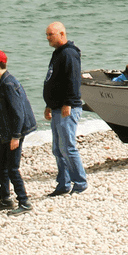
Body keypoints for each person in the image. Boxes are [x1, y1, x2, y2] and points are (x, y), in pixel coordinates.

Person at [0, 50, 36, 212]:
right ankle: (6, 199)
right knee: (1, 165)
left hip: (14, 133)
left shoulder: (7, 84)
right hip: (8, 133)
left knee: (12, 167)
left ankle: (24, 202)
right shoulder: (6, 81)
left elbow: (18, 113)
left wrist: (16, 136)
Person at [41, 21, 88, 196]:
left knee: (68, 147)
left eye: (50, 35)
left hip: (67, 108)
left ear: (62, 34)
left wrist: (68, 102)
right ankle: (63, 183)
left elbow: (73, 80)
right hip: (56, 108)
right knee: (58, 148)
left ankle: (80, 182)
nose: (47, 38)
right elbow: (54, 80)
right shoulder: (58, 53)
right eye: (47, 35)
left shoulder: (69, 53)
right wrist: (49, 105)